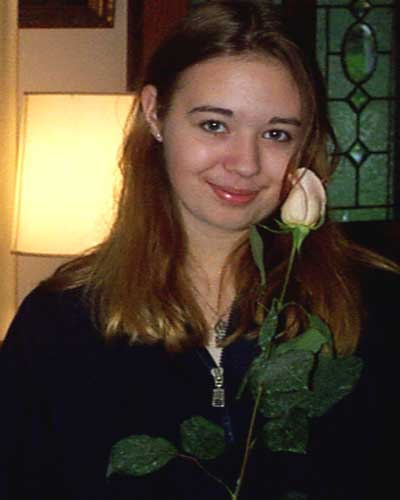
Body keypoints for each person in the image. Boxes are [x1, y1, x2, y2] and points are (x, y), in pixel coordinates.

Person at [0, 1, 397, 499]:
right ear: (155, 113)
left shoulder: (372, 306)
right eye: (214, 125)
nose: (245, 163)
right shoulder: (59, 323)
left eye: (276, 134)